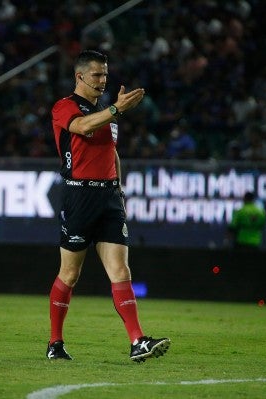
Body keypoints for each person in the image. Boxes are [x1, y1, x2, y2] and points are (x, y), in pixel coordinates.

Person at [47, 50, 170, 362]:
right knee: (70, 274)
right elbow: (82, 128)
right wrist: (117, 108)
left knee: (120, 269)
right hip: (79, 197)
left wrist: (119, 190)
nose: (103, 80)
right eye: (96, 75)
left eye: (105, 74)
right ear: (80, 76)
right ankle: (55, 343)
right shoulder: (65, 107)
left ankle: (137, 341)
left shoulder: (105, 111)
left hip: (108, 197)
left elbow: (112, 153)